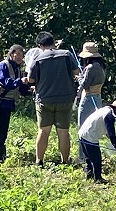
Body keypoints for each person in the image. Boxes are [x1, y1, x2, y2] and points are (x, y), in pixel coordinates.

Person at [26, 31, 79, 166]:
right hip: (65, 98)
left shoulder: (38, 59)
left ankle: (39, 161)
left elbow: (31, 79)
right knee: (63, 132)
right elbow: (76, 72)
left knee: (43, 131)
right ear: (54, 42)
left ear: (39, 45)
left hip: (44, 99)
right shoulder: (66, 54)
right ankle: (65, 161)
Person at [0, 45, 31, 163]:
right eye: (16, 54)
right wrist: (20, 81)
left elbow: (21, 88)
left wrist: (29, 90)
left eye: (21, 54)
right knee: (1, 129)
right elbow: (5, 82)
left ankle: (1, 155)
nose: (19, 57)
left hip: (8, 103)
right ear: (10, 54)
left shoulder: (17, 69)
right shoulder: (3, 65)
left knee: (4, 128)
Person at [78, 100, 116, 183]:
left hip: (82, 134)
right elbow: (111, 133)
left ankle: (89, 176)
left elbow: (105, 128)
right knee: (96, 159)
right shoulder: (109, 115)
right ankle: (98, 179)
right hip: (90, 137)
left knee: (89, 159)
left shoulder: (105, 110)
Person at [76, 41, 106, 163]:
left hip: (88, 98)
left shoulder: (90, 67)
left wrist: (79, 78)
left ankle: (82, 157)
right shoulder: (102, 67)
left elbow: (84, 84)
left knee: (83, 128)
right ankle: (92, 155)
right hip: (98, 98)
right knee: (93, 127)